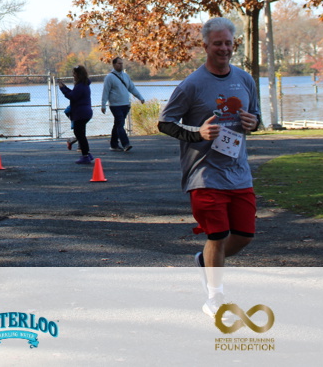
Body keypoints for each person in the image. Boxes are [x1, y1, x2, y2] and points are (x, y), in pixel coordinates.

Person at [157, 17, 261, 319]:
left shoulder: (245, 80)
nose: (224, 48)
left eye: (228, 43)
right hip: (204, 173)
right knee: (217, 234)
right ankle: (215, 298)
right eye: (217, 43)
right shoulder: (192, 84)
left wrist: (253, 123)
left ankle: (206, 262)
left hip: (238, 172)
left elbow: (256, 118)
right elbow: (165, 123)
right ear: (205, 46)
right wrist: (197, 133)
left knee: (244, 235)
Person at [101, 57, 146, 152]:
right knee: (120, 124)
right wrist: (103, 105)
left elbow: (132, 88)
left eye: (121, 63)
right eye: (119, 63)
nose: (121, 65)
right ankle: (126, 144)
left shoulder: (126, 76)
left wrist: (140, 98)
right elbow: (105, 92)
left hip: (125, 104)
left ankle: (114, 145)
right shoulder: (109, 77)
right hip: (115, 105)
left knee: (117, 124)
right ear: (114, 65)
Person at [58, 65, 94, 164]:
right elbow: (74, 94)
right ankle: (87, 154)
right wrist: (65, 88)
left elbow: (72, 96)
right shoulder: (83, 85)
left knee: (79, 134)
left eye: (74, 73)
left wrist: (63, 89)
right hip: (85, 112)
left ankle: (85, 155)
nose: (73, 75)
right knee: (81, 134)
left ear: (78, 74)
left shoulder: (80, 86)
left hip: (81, 113)